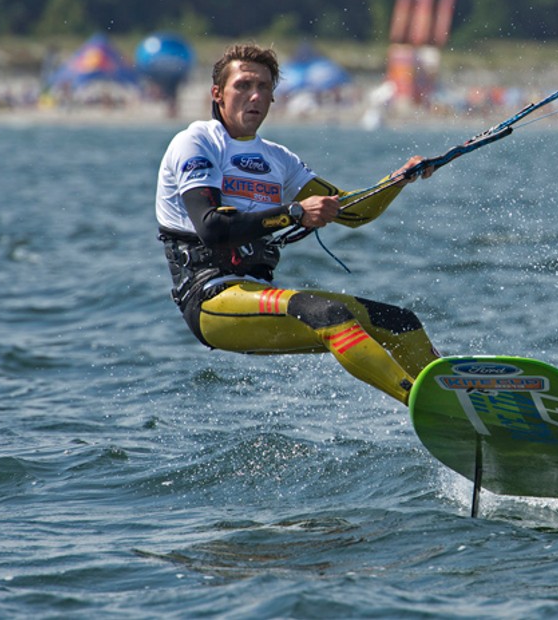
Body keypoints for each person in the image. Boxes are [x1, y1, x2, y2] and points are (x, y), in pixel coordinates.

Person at [155, 43, 439, 404]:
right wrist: (293, 213)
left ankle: (459, 400)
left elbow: (353, 211)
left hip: (257, 293)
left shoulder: (279, 160)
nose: (254, 96)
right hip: (211, 299)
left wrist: (399, 179)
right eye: (242, 85)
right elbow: (212, 229)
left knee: (401, 323)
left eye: (264, 87)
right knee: (331, 316)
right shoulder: (197, 142)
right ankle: (424, 403)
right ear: (218, 94)